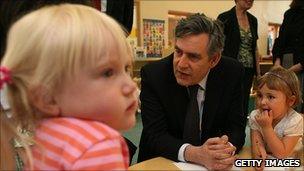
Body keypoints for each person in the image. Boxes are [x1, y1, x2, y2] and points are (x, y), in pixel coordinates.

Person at [1, 4, 138, 170]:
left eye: (126, 68)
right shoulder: (99, 146)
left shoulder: (47, 134)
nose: (130, 86)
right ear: (47, 98)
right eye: (108, 73)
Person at [138, 13, 246, 170]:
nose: (181, 64)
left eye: (193, 57)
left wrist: (224, 148)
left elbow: (236, 127)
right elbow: (155, 135)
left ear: (214, 59)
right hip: (161, 161)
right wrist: (196, 154)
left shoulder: (232, 72)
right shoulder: (154, 75)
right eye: (178, 51)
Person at [249, 66, 303, 169]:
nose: (262, 102)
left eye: (270, 97)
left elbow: (282, 154)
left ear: (290, 101)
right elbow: (256, 143)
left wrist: (266, 127)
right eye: (260, 95)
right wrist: (259, 157)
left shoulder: (295, 121)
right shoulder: (256, 115)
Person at [217, 0, 261, 116]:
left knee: (243, 102)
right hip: (229, 69)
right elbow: (217, 45)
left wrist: (258, 73)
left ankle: (240, 132)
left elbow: (255, 48)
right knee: (228, 101)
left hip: (248, 70)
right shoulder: (224, 17)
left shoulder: (253, 20)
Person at [272, 0, 304, 112]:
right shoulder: (289, 13)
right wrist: (277, 60)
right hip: (286, 61)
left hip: (301, 64)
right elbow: (280, 39)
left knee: (297, 103)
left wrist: (301, 65)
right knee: (282, 99)